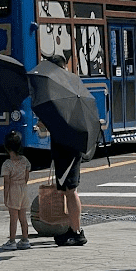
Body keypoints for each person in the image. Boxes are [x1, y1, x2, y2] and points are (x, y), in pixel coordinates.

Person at [48, 55, 87, 247]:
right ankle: (73, 228)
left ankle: (77, 232)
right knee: (67, 190)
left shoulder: (69, 90)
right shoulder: (66, 88)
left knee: (71, 190)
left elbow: (68, 119)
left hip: (69, 147)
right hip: (65, 146)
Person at [0, 130, 31, 250]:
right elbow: (27, 175)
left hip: (13, 189)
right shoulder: (24, 160)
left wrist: (5, 196)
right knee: (23, 216)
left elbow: (6, 182)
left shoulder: (7, 164)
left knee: (13, 217)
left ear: (7, 148)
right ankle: (25, 239)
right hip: (23, 188)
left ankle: (12, 240)